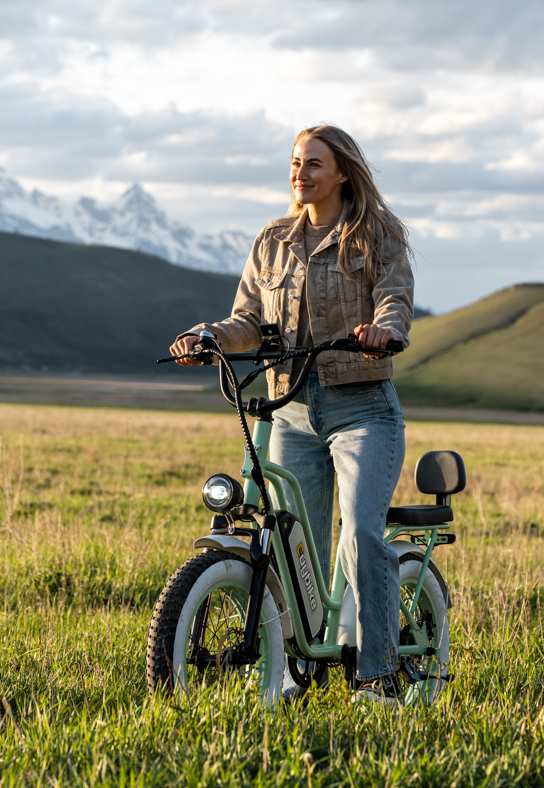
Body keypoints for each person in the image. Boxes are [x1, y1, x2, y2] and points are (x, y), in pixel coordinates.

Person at [169, 124, 414, 705]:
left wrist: (385, 331)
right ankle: (296, 667)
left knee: (359, 534)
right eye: (295, 163)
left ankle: (378, 674)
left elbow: (395, 298)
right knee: (289, 542)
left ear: (342, 173)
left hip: (362, 410)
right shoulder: (273, 239)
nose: (299, 174)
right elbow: (248, 318)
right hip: (290, 409)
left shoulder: (377, 233)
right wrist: (209, 335)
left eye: (313, 165)